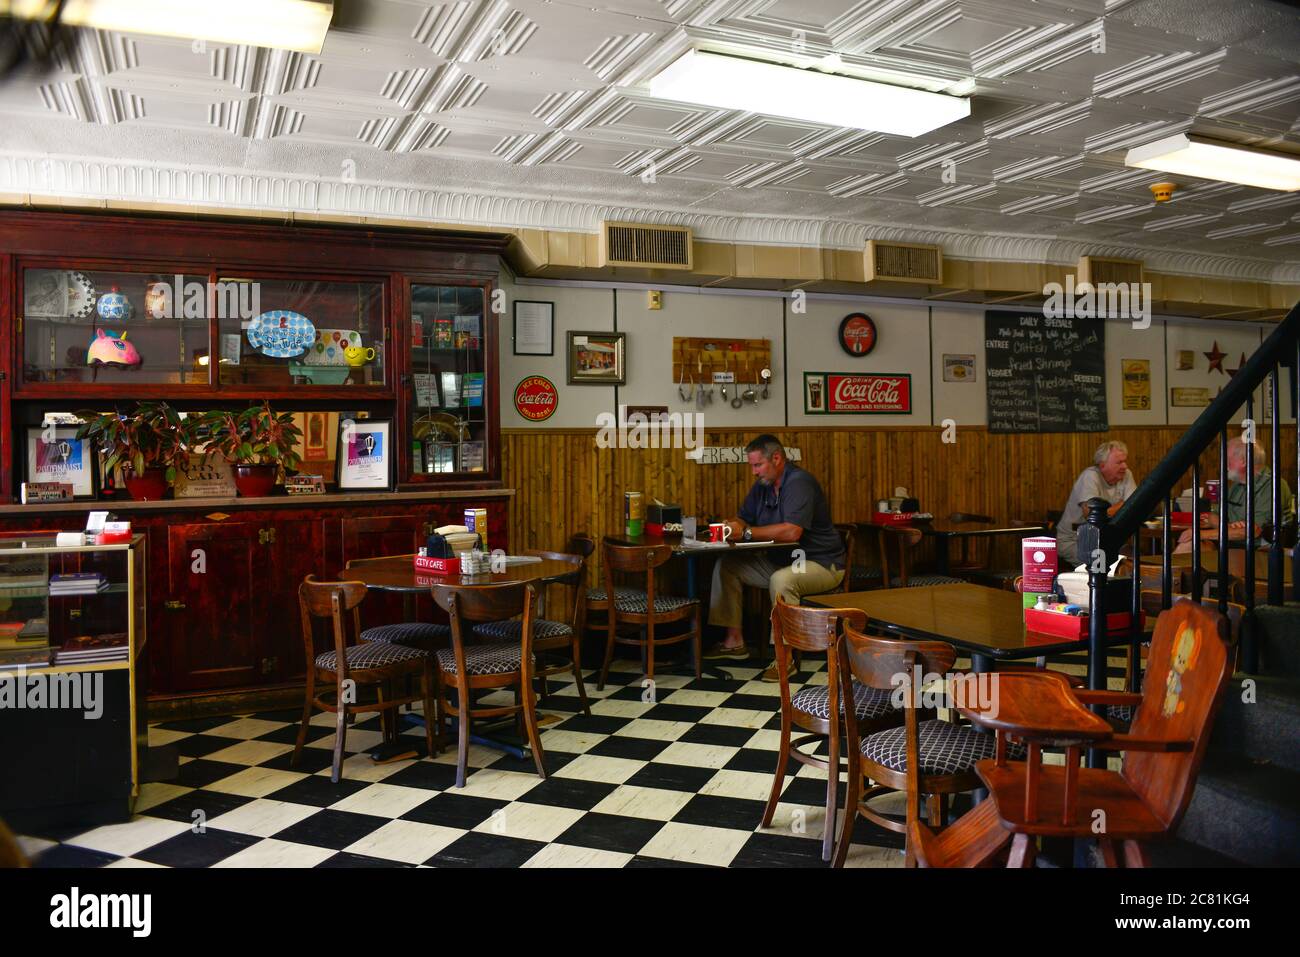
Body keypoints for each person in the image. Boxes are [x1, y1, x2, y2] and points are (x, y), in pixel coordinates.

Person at [702, 435, 845, 681]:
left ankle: (784, 657)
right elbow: (744, 517)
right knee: (728, 565)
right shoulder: (762, 486)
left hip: (821, 563)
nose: (754, 472)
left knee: (782, 580)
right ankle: (734, 641)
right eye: (752, 466)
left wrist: (745, 533)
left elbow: (792, 531)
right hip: (781, 561)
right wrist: (732, 525)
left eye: (758, 465)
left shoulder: (800, 482)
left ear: (776, 458)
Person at [1176, 437, 1294, 552]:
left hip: (1258, 551)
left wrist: (1199, 534)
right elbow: (1212, 516)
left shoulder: (1272, 485)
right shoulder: (1237, 485)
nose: (1225, 464)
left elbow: (1253, 531)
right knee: (1188, 544)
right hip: (1230, 544)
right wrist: (1231, 528)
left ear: (1243, 461)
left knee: (1191, 540)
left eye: (1228, 459)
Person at [1056, 440, 1136, 568]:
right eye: (1119, 462)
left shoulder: (1126, 474)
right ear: (1102, 465)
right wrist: (1125, 504)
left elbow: (1136, 507)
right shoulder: (1090, 476)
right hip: (1075, 541)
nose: (1125, 466)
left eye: (1125, 461)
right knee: (1103, 565)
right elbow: (1093, 515)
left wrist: (1126, 505)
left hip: (1105, 541)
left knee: (1134, 560)